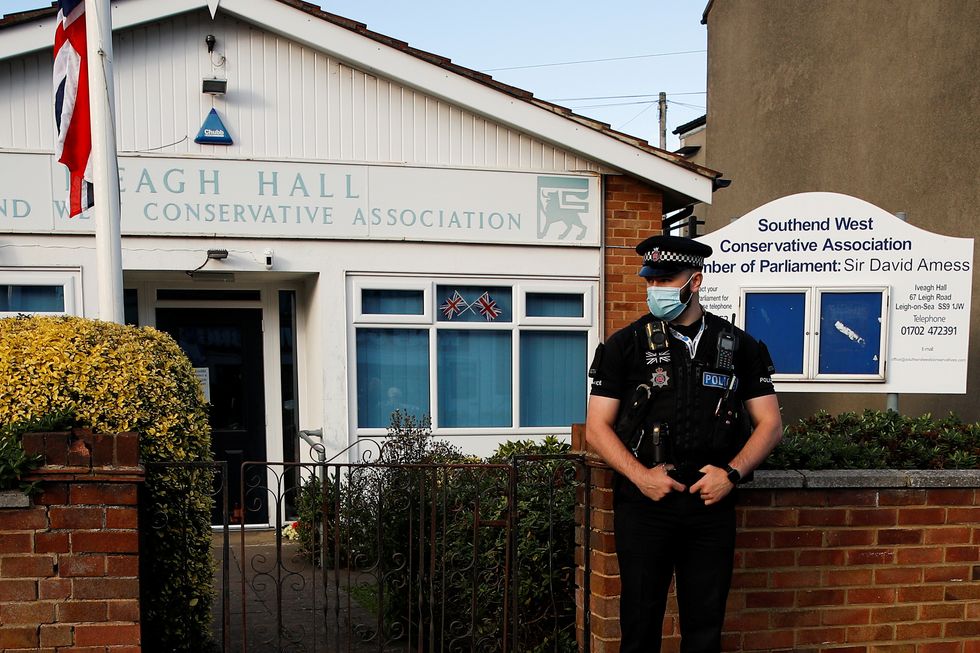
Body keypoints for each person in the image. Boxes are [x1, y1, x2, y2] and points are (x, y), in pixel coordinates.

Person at [585, 234, 783, 652]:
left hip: (711, 503)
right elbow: (596, 427)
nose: (654, 290)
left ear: (694, 281)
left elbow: (770, 424)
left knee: (705, 626)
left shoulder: (738, 346)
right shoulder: (626, 345)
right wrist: (642, 478)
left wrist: (731, 474)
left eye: (664, 280)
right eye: (650, 282)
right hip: (645, 504)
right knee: (639, 624)